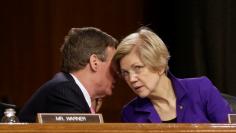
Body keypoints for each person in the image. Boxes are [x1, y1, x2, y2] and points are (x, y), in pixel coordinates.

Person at [113, 27, 232, 123]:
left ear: (160, 66)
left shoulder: (201, 89)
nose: (131, 79)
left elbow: (231, 129)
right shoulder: (130, 113)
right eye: (125, 73)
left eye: (138, 68)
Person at [19, 27, 118, 122]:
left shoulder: (68, 88)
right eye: (113, 65)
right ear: (94, 62)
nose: (118, 73)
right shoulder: (65, 91)